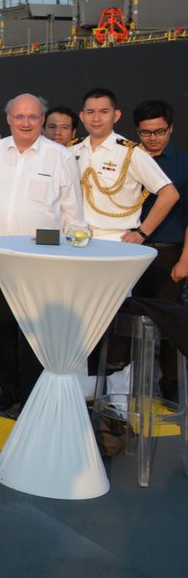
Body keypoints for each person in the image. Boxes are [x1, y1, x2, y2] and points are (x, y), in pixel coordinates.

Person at [0, 94, 85, 411]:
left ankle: (33, 391)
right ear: (8, 119)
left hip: (39, 260)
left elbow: (72, 216)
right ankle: (9, 388)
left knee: (32, 328)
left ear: (42, 120)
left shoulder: (59, 157)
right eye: (19, 116)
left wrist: (54, 248)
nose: (25, 123)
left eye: (33, 117)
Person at [131, 99, 188, 399]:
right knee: (127, 326)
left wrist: (185, 260)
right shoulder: (128, 160)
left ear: (171, 128)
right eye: (145, 133)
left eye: (159, 131)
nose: (153, 138)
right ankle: (129, 387)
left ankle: (170, 387)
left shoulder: (183, 164)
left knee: (169, 325)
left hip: (169, 255)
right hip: (130, 256)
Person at [73, 88, 177, 242]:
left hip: (115, 239)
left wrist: (141, 233)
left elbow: (170, 194)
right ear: (82, 116)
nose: (96, 118)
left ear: (116, 116)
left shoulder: (131, 152)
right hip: (74, 237)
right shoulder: (70, 150)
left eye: (103, 112)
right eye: (90, 112)